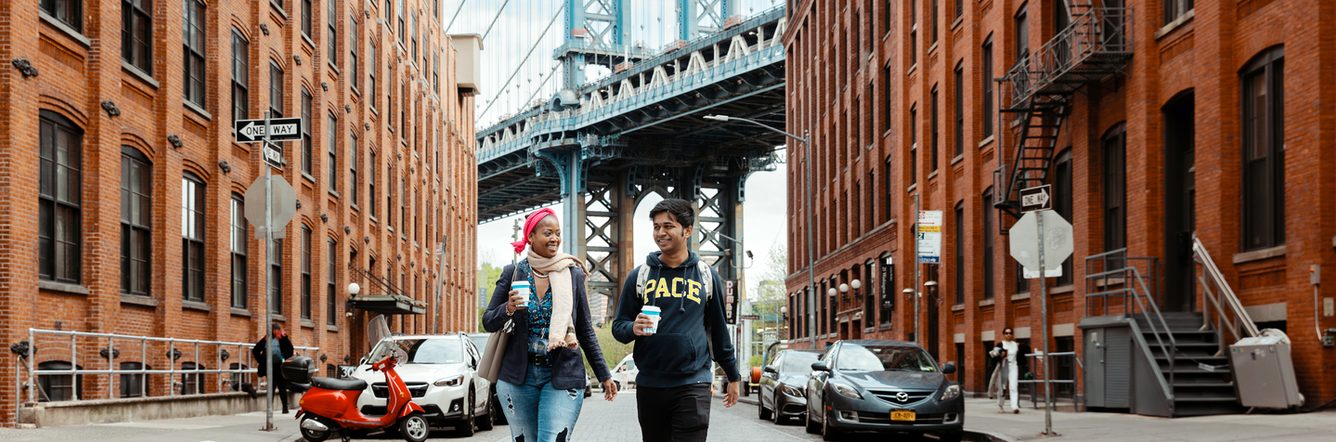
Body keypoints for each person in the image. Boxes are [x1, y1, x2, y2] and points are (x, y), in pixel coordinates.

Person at [481, 208, 618, 442]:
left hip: (562, 373)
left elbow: (584, 329)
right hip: (518, 377)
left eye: (557, 233)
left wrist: (604, 375)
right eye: (547, 233)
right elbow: (488, 321)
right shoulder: (513, 273)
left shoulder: (573, 274)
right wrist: (509, 308)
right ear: (531, 237)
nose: (554, 238)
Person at [612, 198, 742, 442]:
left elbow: (718, 332)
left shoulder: (706, 276)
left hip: (693, 383)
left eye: (668, 226)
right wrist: (633, 327)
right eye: (656, 227)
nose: (661, 233)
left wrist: (733, 376)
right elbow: (618, 328)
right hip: (651, 384)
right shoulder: (639, 276)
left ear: (688, 230)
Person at [252, 323, 294, 413]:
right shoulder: (268, 339)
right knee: (275, 386)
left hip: (278, 365)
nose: (276, 332)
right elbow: (255, 350)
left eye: (277, 330)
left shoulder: (280, 338)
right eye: (275, 330)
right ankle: (276, 408)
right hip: (273, 366)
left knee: (278, 387)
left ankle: (279, 408)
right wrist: (262, 361)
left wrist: (284, 359)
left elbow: (290, 350)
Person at [990, 328, 1021, 413]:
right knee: (1002, 386)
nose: (1008, 335)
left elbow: (1020, 356)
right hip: (1004, 365)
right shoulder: (1000, 344)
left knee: (1014, 386)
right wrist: (1000, 354)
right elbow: (993, 355)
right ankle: (1000, 405)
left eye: (1010, 333)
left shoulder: (1015, 344)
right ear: (1003, 334)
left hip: (1013, 365)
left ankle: (1015, 406)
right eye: (1006, 333)